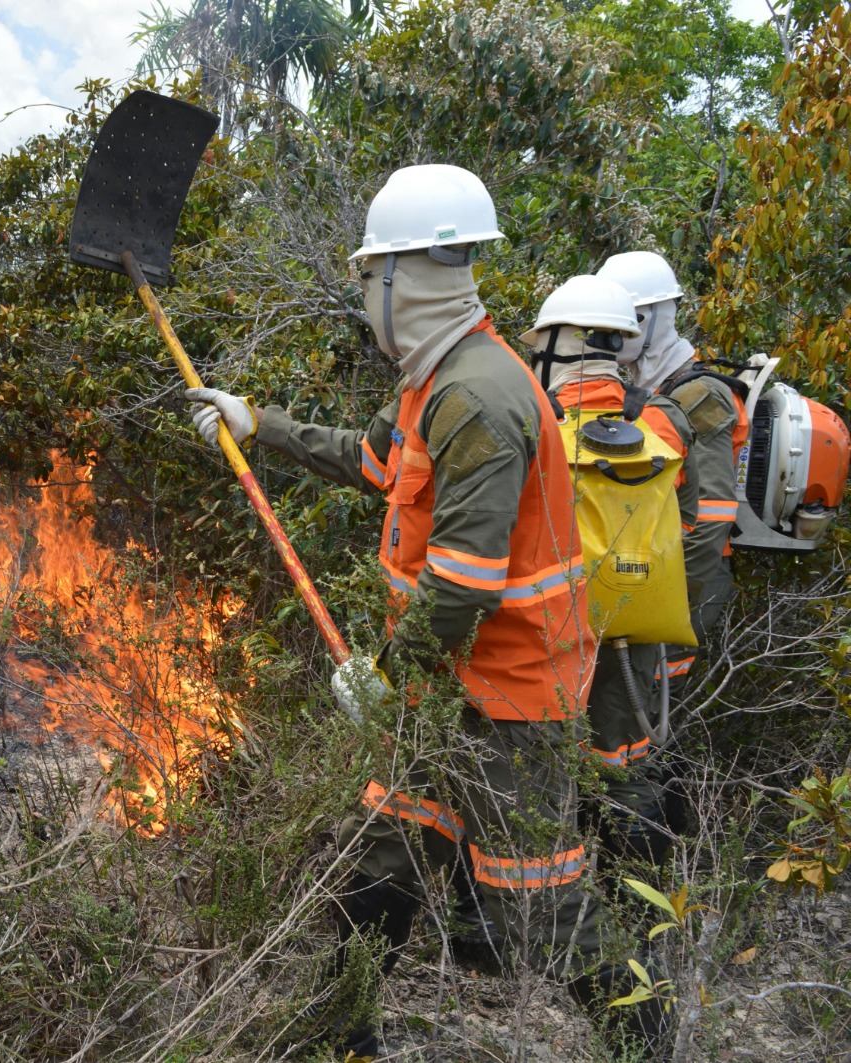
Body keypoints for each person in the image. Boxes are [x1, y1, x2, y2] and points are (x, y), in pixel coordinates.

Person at [188, 165, 656, 1057]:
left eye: (369, 278)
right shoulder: (432, 382)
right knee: (379, 871)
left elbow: (464, 584)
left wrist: (383, 675)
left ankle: (654, 1037)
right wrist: (257, 422)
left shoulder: (478, 395)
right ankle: (339, 1040)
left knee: (543, 914)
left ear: (406, 278)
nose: (367, 296)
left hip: (506, 704)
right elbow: (368, 461)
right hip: (443, 687)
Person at [521, 274, 699, 889]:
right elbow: (692, 519)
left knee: (533, 776)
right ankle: (640, 918)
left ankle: (542, 919)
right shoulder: (664, 422)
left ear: (551, 347)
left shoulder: (534, 425)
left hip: (549, 639)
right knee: (625, 772)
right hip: (636, 637)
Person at [596, 251, 745, 686]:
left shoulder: (698, 395)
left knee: (651, 698)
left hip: (690, 580)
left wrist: (668, 609)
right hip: (653, 571)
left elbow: (710, 518)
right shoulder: (648, 390)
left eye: (625, 320)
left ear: (653, 319)